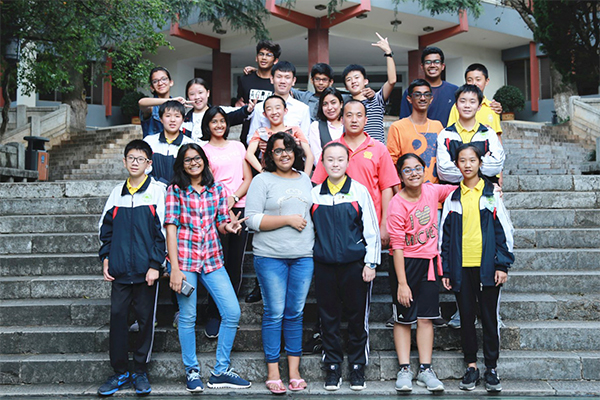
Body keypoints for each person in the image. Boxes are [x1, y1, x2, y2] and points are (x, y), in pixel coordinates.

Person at [165, 143, 251, 392]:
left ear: (204, 160)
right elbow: (170, 228)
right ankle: (192, 371)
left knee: (232, 312)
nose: (193, 163)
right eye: (188, 159)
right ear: (182, 165)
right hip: (185, 261)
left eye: (197, 158)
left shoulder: (217, 189)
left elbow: (222, 221)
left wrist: (229, 227)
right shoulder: (175, 190)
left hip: (212, 259)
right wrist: (174, 268)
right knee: (188, 316)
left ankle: (220, 371)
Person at [439, 143, 514, 392]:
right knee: (466, 318)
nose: (468, 165)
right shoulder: (452, 198)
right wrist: (446, 270)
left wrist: (502, 264)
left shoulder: (491, 193)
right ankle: (471, 366)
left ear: (480, 163)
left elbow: (505, 231)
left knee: (490, 318)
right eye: (462, 160)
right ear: (456, 165)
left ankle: (491, 368)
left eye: (472, 160)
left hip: (488, 268)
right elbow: (444, 238)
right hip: (461, 268)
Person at [245, 132, 314, 395]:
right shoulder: (262, 180)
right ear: (270, 155)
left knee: (295, 313)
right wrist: (287, 220)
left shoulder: (305, 179)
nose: (284, 154)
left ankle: (294, 372)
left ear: (295, 152)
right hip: (270, 256)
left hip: (303, 256)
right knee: (274, 312)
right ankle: (273, 372)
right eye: (278, 150)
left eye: (288, 149)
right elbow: (251, 220)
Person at [97, 140, 166, 396]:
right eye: (131, 158)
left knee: (146, 320)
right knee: (118, 318)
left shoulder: (157, 192)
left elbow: (163, 232)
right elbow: (105, 229)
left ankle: (139, 371)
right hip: (120, 272)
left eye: (141, 159)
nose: (135, 163)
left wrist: (155, 264)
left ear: (149, 163)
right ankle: (120, 371)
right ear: (125, 161)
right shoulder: (117, 193)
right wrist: (106, 258)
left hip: (147, 272)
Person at [311, 142, 380, 392]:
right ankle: (332, 366)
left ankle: (357, 366)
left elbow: (371, 229)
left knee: (356, 317)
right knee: (328, 317)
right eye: (330, 159)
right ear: (323, 162)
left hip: (355, 266)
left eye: (340, 159)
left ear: (348, 162)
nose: (335, 164)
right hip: (324, 266)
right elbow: (310, 231)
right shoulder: (314, 194)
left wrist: (370, 262)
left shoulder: (359, 191)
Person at [386, 153, 457, 393]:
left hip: (429, 263)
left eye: (418, 168)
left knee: (426, 318)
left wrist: (490, 189)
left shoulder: (432, 191)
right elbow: (397, 247)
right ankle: (404, 369)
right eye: (407, 170)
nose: (413, 173)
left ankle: (425, 369)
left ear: (425, 170)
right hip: (404, 264)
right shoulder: (397, 204)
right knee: (403, 318)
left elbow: (459, 189)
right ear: (400, 176)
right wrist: (402, 283)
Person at [312, 100, 399, 255]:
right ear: (341, 119)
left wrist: (384, 224)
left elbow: (387, 188)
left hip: (371, 222)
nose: (354, 120)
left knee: (369, 265)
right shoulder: (331, 149)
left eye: (359, 115)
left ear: (366, 120)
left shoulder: (379, 149)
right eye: (349, 115)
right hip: (336, 223)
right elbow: (318, 185)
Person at [200, 107, 253, 339]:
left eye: (222, 121)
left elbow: (247, 178)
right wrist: (225, 207)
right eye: (214, 121)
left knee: (235, 262)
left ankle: (229, 313)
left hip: (240, 208)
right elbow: (207, 183)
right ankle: (213, 313)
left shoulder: (238, 146)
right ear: (207, 125)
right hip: (215, 211)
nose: (219, 125)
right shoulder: (203, 150)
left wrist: (233, 199)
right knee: (216, 264)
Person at [447, 63, 504, 186]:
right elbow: (451, 136)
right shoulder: (457, 108)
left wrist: (500, 173)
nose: (474, 83)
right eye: (470, 80)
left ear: (486, 81)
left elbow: (498, 140)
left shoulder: (492, 108)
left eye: (478, 79)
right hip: (462, 169)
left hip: (487, 170)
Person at [436, 84, 505, 185]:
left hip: (483, 190)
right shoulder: (446, 135)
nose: (467, 105)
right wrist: (482, 162)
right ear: (456, 105)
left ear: (479, 106)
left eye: (472, 102)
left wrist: (458, 165)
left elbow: (497, 166)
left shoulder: (488, 134)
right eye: (462, 101)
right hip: (454, 191)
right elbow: (444, 171)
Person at [342, 33, 397, 144]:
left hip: (377, 151)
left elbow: (392, 81)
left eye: (357, 77)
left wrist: (388, 53)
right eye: (349, 79)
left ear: (365, 81)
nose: (353, 81)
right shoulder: (346, 106)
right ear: (346, 87)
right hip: (356, 150)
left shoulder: (377, 99)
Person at [387, 79, 444, 179]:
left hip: (434, 186)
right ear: (409, 99)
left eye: (426, 95)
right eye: (417, 95)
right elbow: (391, 162)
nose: (422, 98)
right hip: (408, 186)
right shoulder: (397, 127)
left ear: (431, 99)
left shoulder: (437, 126)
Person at [246, 94, 314, 175]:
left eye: (278, 108)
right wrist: (263, 172)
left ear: (285, 111)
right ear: (264, 114)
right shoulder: (261, 132)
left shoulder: (295, 130)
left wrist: (305, 177)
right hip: (271, 175)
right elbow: (249, 154)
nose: (274, 112)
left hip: (293, 174)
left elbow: (309, 155)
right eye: (269, 109)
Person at [247, 61, 311, 145]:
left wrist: (299, 143)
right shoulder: (259, 107)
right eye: (279, 77)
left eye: (287, 77)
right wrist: (259, 144)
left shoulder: (303, 109)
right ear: (272, 79)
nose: (282, 81)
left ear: (293, 81)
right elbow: (250, 138)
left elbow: (307, 139)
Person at [181, 78, 255, 143]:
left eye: (200, 93)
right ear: (188, 97)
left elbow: (238, 114)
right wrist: (176, 104)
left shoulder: (219, 112)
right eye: (192, 94)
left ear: (208, 93)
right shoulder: (183, 118)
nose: (197, 97)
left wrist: (248, 109)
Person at [236, 40, 281, 145]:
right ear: (256, 58)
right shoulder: (245, 80)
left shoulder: (278, 82)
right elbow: (240, 103)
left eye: (268, 55)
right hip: (248, 135)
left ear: (275, 60)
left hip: (273, 137)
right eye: (261, 54)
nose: (264, 58)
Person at [143, 100, 194, 185]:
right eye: (168, 116)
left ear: (182, 120)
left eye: (177, 116)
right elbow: (142, 169)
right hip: (153, 189)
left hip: (180, 190)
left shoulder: (189, 144)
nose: (172, 120)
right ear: (161, 119)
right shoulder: (149, 142)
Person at [138, 67, 186, 138]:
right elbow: (141, 102)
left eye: (164, 79)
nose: (160, 83)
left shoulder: (176, 105)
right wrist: (170, 101)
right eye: (155, 81)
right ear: (152, 87)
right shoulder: (151, 107)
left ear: (171, 82)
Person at [307, 87, 345, 164]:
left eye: (333, 103)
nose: (329, 108)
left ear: (341, 104)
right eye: (325, 104)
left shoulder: (349, 125)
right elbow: (316, 156)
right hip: (324, 170)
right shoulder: (316, 126)